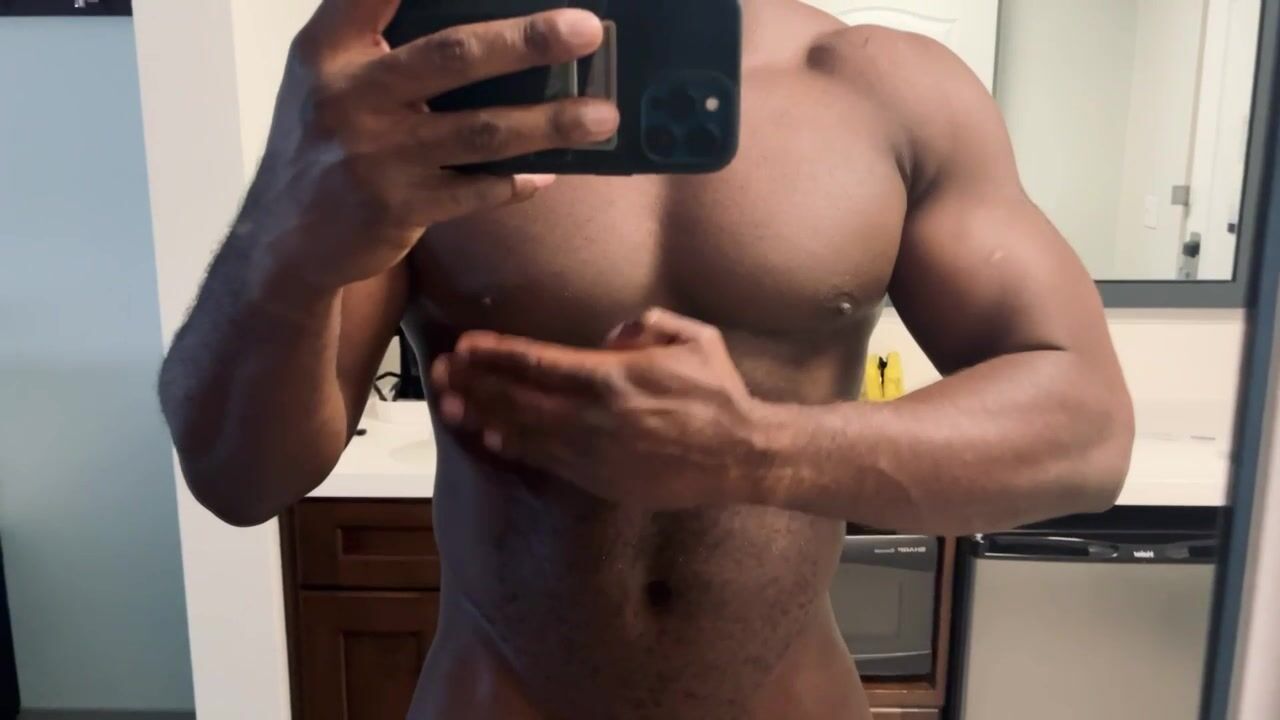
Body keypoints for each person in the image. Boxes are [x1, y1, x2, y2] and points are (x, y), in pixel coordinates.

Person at [157, 0, 1135, 717]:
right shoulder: (429, 99)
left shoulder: (890, 91)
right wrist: (287, 242)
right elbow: (238, 481)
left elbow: (1085, 431)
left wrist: (756, 451)